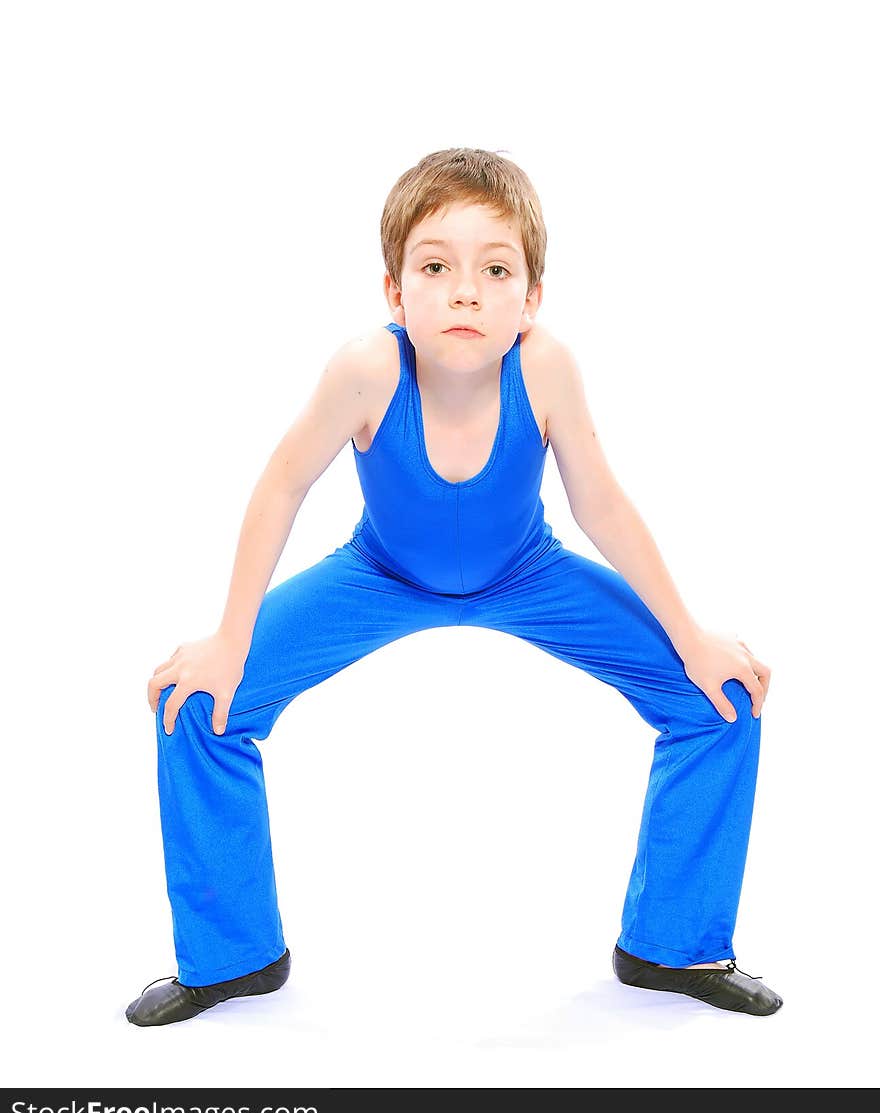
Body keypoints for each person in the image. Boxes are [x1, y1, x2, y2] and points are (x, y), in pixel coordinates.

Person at [126, 146, 782, 1027]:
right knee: (197, 707)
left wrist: (694, 638)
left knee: (721, 701)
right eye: (436, 267)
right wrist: (226, 642)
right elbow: (283, 484)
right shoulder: (367, 368)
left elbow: (602, 504)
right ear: (396, 293)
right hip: (380, 575)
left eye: (495, 269)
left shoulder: (545, 368)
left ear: (531, 298)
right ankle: (234, 956)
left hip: (528, 573)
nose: (465, 291)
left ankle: (673, 943)